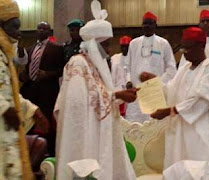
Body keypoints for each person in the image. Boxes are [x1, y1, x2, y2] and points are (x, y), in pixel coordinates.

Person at [55, 1, 137, 179]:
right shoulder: (78, 64)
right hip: (85, 134)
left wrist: (119, 96)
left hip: (98, 129)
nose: (108, 51)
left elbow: (98, 95)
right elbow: (79, 105)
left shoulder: (94, 65)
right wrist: (116, 95)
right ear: (94, 44)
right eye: (106, 45)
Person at [141, 27, 209, 180]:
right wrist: (155, 81)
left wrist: (168, 111)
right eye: (183, 47)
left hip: (202, 133)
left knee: (199, 172)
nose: (184, 52)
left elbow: (200, 102)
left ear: (201, 46)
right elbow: (171, 91)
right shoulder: (185, 68)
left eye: (188, 47)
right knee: (181, 170)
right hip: (182, 131)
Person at [0, 0, 49, 179]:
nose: (18, 33)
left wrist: (34, 111)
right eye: (14, 27)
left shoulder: (5, 52)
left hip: (6, 131)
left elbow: (9, 93)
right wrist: (5, 109)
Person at [19, 21, 64, 156]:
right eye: (39, 28)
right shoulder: (30, 48)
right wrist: (24, 76)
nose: (41, 30)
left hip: (47, 91)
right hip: (31, 90)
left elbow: (62, 69)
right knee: (31, 120)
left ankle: (49, 152)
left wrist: (48, 74)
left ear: (49, 32)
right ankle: (32, 149)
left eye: (44, 29)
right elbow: (24, 65)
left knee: (46, 121)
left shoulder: (56, 48)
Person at [125, 11, 177, 122]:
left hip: (155, 92)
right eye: (145, 23)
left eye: (150, 23)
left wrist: (158, 82)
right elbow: (127, 66)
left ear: (155, 26)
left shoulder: (163, 43)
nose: (147, 26)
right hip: (137, 91)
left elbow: (171, 68)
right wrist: (128, 80)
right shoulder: (134, 43)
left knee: (154, 123)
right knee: (135, 123)